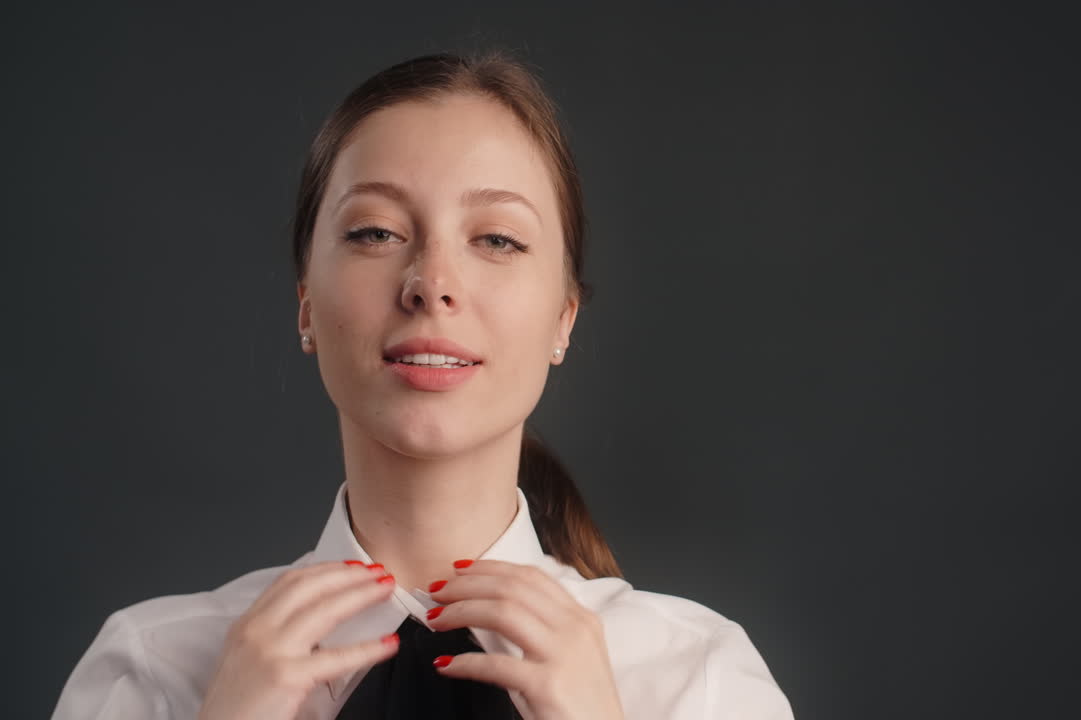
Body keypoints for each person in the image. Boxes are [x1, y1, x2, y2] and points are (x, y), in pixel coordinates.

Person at [50, 49, 794, 720]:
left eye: (497, 239)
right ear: (306, 303)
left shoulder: (698, 680)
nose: (431, 282)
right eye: (375, 232)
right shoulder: (152, 674)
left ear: (564, 319)